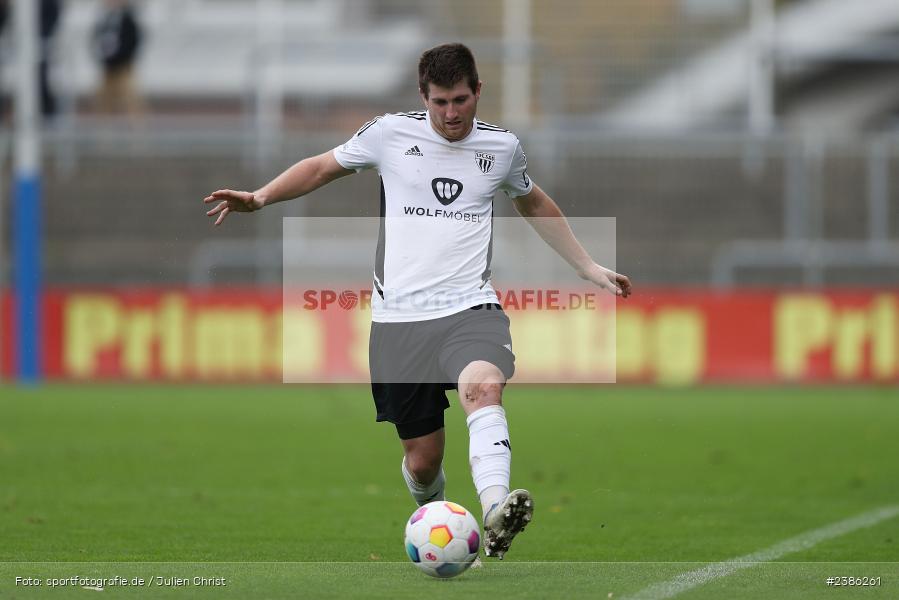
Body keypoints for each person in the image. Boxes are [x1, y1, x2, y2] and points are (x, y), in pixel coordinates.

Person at [203, 43, 632, 560]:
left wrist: (586, 266)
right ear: (423, 96)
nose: (451, 113)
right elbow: (320, 167)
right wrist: (261, 197)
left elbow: (533, 201)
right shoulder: (388, 134)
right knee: (424, 461)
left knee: (483, 387)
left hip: (470, 308)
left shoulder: (502, 148)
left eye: (460, 100)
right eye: (439, 102)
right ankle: (435, 518)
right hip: (399, 322)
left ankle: (496, 510)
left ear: (478, 91)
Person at [92, 0, 142, 116]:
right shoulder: (104, 20)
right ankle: (103, 125)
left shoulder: (128, 20)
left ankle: (136, 125)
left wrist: (123, 57)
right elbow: (97, 39)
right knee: (103, 100)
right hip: (108, 66)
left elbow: (133, 41)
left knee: (130, 98)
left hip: (123, 66)